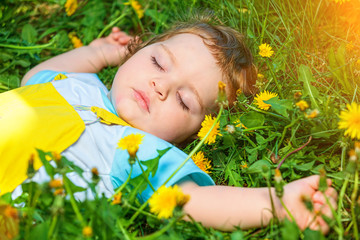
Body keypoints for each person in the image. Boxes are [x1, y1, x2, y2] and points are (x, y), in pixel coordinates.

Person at [0, 18, 337, 233]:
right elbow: (33, 78)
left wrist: (278, 202)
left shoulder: (135, 149)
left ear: (192, 135)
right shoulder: (74, 82)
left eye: (184, 101)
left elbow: (192, 200)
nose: (161, 87)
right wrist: (99, 53)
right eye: (158, 62)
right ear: (138, 51)